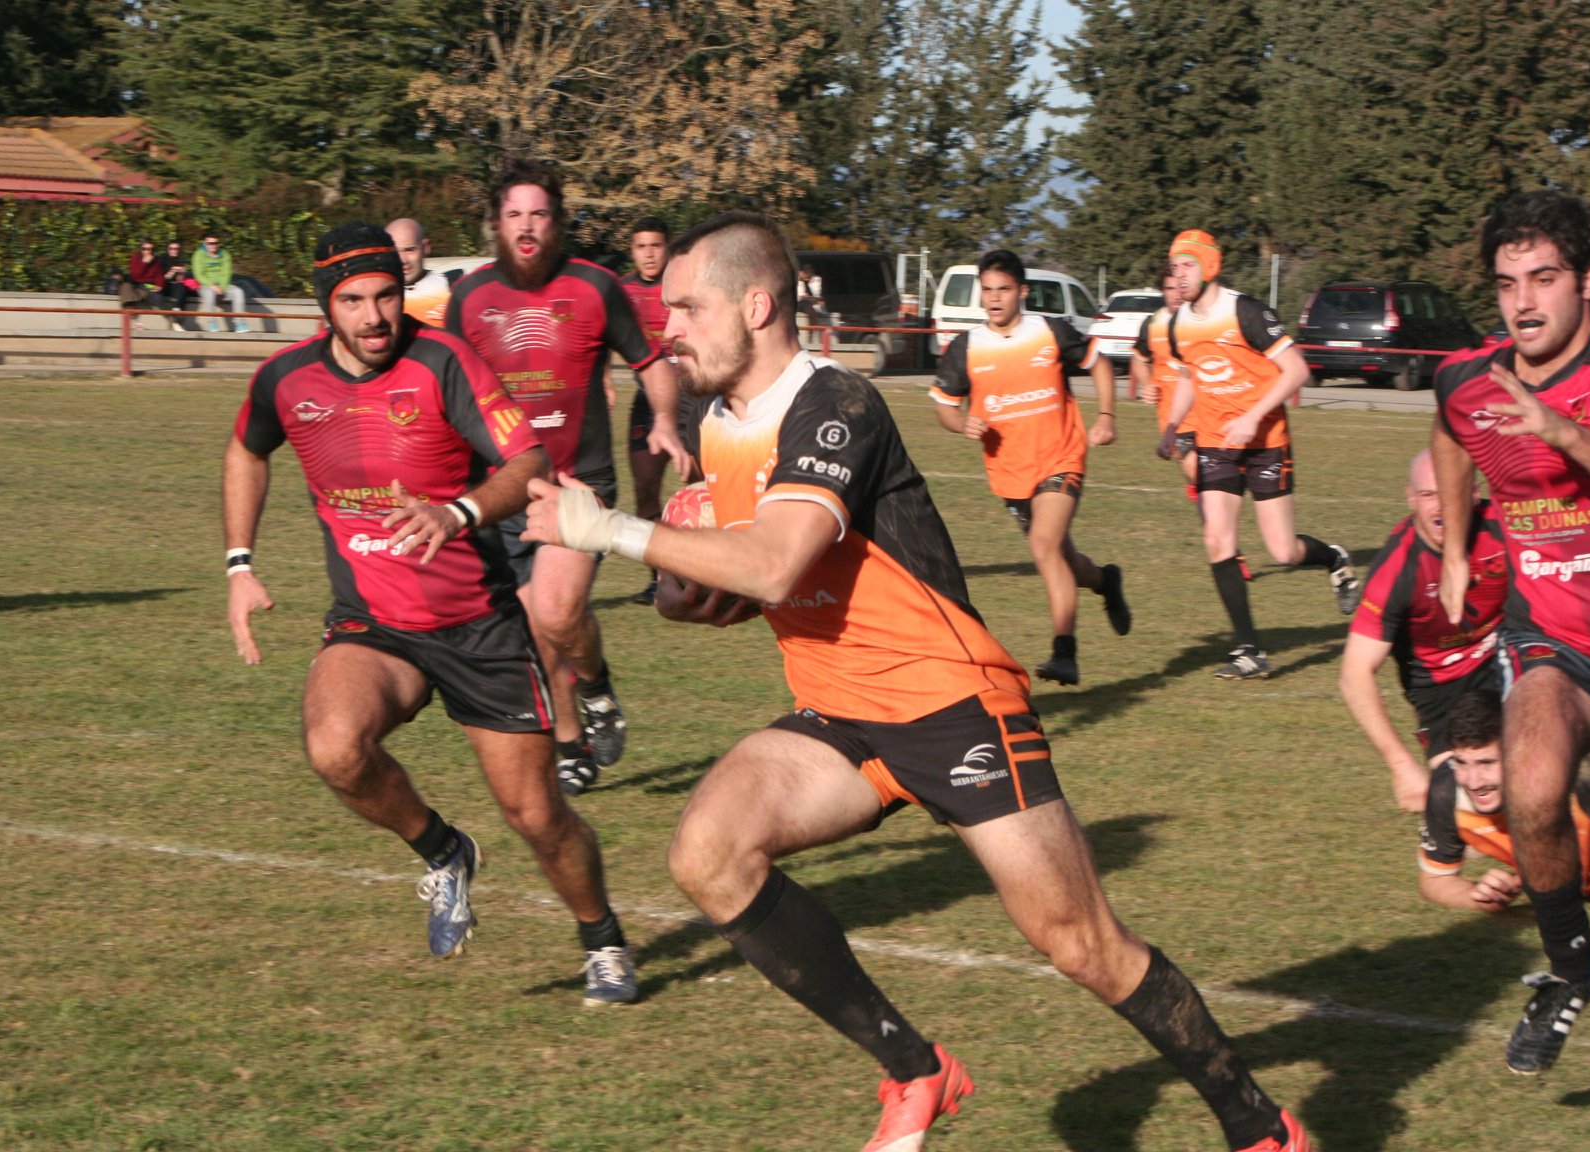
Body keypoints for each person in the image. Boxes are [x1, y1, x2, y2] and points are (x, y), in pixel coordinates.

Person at [523, 211, 1310, 1152]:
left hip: (952, 702)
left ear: (757, 303)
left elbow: (776, 565)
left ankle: (1261, 1129)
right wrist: (684, 589)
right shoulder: (713, 420)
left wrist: (608, 530)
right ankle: (915, 1069)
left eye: (687, 306)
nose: (670, 328)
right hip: (840, 713)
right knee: (706, 853)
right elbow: (744, 591)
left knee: (1081, 946)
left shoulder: (837, 403)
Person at [221, 221, 638, 1006]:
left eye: (387, 296)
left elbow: (528, 461)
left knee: (538, 816)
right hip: (372, 624)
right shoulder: (285, 380)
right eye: (354, 301)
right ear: (327, 306)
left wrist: (459, 513)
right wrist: (240, 564)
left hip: (479, 624)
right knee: (335, 749)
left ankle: (603, 938)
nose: (375, 317)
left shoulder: (445, 362)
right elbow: (247, 449)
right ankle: (444, 851)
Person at [1432, 187, 1590, 1073]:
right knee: (1535, 787)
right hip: (1558, 643)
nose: (1525, 302)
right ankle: (1567, 972)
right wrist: (1460, 546)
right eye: (1508, 284)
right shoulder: (1470, 379)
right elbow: (1448, 434)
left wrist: (1561, 430)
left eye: (1544, 279)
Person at [446, 159, 690, 795]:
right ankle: (570, 740)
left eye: (539, 214)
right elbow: (442, 389)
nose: (527, 227)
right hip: (501, 491)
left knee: (556, 611)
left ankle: (596, 685)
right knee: (532, 630)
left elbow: (651, 360)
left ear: (557, 223)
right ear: (496, 224)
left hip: (579, 482)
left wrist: (664, 418)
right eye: (514, 215)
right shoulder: (469, 298)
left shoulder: (595, 287)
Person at [1161, 229, 1357, 680]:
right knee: (1217, 541)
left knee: (1283, 551)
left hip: (1266, 441)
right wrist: (1173, 427)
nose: (1180, 275)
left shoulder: (1245, 311)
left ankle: (1333, 559)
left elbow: (1296, 370)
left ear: (1209, 265)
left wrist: (1252, 416)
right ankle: (1249, 650)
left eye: (1187, 265)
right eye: (1175, 268)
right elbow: (1188, 378)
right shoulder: (1178, 324)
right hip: (1216, 443)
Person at [931, 248, 1130, 686]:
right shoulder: (966, 347)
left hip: (1061, 455)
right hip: (1009, 472)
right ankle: (1104, 580)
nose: (995, 299)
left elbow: (1099, 363)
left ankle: (1065, 653)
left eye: (1003, 289)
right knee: (1063, 557)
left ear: (1022, 291)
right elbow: (944, 406)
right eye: (987, 291)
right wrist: (961, 422)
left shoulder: (1050, 331)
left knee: (1043, 544)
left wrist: (1106, 417)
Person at [1340, 450, 1509, 812]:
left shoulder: (1506, 527)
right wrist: (1402, 768)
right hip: (1443, 689)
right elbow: (1354, 674)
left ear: (1474, 493)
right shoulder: (1398, 569)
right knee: (1467, 806)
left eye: (1452, 492)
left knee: (1557, 768)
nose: (1441, 507)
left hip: (1509, 656)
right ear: (1411, 498)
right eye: (1430, 495)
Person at [1418, 688, 1590, 914]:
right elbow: (1434, 881)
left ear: (1521, 753)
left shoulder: (1586, 779)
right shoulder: (1448, 794)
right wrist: (1479, 896)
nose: (1473, 782)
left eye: (1486, 763)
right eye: (1461, 763)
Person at [619, 215, 678, 605]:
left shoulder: (683, 282)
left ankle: (713, 575)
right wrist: (604, 382)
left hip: (695, 402)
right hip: (647, 403)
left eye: (655, 245)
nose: (649, 254)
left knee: (707, 491)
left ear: (667, 248)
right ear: (633, 251)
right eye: (641, 246)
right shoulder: (620, 290)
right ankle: (658, 579)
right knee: (645, 493)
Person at [1132, 270, 1196, 499]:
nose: (1176, 295)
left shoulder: (1203, 322)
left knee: (1213, 476)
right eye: (1170, 289)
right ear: (1163, 292)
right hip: (1175, 416)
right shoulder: (1152, 323)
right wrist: (1147, 383)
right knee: (1194, 469)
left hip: (1211, 409)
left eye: (1180, 288)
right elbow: (1139, 359)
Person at [387, 217, 452, 327]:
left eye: (409, 250)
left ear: (426, 247)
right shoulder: (374, 295)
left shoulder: (452, 288)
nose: (403, 260)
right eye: (395, 252)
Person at [193, 231, 250, 333]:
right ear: (205, 243)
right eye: (210, 243)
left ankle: (239, 323)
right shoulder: (198, 255)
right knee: (209, 293)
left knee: (238, 291)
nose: (213, 246)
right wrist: (212, 286)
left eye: (215, 243)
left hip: (222, 285)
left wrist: (222, 288)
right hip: (206, 285)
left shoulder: (224, 254)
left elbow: (226, 273)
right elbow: (199, 275)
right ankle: (212, 322)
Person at [118, 240, 170, 326]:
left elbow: (159, 275)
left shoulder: (156, 260)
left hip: (148, 284)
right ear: (141, 249)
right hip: (138, 283)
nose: (148, 251)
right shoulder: (135, 257)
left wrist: (160, 285)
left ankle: (172, 319)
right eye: (145, 249)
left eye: (150, 249)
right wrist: (144, 263)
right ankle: (130, 313)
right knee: (127, 287)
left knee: (158, 297)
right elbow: (135, 275)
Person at [159, 240, 196, 317]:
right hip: (164, 286)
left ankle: (177, 308)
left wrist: (182, 273)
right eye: (171, 248)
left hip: (177, 287)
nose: (174, 251)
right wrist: (170, 272)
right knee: (181, 288)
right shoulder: (162, 259)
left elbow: (180, 280)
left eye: (176, 249)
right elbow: (160, 278)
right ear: (168, 249)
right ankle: (177, 312)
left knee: (181, 286)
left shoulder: (180, 260)